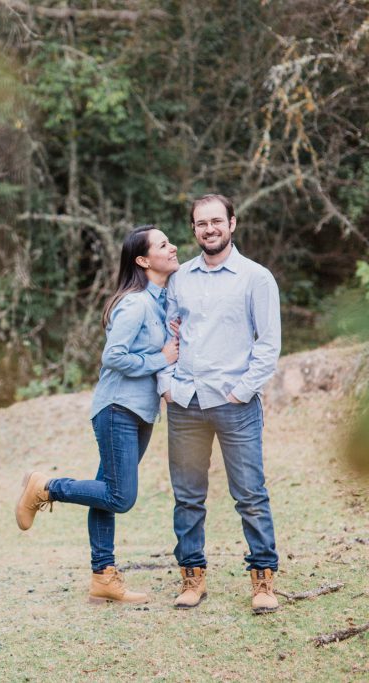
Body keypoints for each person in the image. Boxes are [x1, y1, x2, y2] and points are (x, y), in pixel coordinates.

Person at [15, 225, 179, 604]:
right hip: (117, 408)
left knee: (106, 493)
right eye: (163, 244)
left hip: (139, 412)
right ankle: (46, 487)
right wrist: (161, 358)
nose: (172, 248)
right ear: (142, 260)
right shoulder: (136, 303)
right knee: (120, 496)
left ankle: (103, 577)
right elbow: (114, 356)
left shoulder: (158, 301)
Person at [157, 193, 282, 614]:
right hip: (186, 403)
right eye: (200, 223)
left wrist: (241, 391)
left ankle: (263, 580)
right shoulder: (180, 278)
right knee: (188, 496)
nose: (209, 229)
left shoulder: (255, 278)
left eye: (216, 221)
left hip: (235, 405)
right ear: (193, 229)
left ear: (232, 223)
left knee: (250, 494)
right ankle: (192, 578)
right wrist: (167, 386)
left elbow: (268, 345)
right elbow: (166, 337)